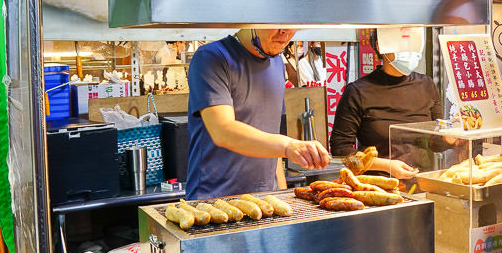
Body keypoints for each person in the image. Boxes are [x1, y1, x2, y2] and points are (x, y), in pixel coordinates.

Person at [186, 28, 330, 201]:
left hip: (266, 202)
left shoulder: (276, 63)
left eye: (292, 25)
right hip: (214, 202)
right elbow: (223, 131)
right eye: (277, 24)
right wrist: (288, 146)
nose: (285, 33)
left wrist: (281, 195)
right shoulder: (211, 57)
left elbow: (271, 136)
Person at [330, 27, 442, 177]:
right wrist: (386, 166)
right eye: (400, 45)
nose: (407, 51)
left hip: (422, 185)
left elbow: (437, 142)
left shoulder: (427, 85)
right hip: (377, 187)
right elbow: (340, 149)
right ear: (379, 46)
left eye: (411, 44)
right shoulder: (358, 91)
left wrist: (454, 136)